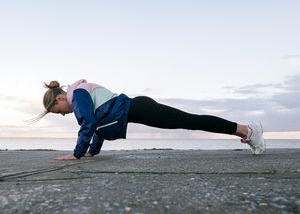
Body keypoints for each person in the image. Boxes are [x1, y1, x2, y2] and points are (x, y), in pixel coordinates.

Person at [28, 79, 266, 160]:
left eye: (58, 110)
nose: (63, 114)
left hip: (138, 107)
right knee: (189, 121)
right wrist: (92, 152)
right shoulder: (80, 94)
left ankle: (247, 131)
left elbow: (89, 123)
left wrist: (77, 153)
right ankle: (245, 131)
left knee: (191, 120)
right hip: (137, 107)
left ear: (60, 98)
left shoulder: (77, 95)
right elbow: (98, 126)